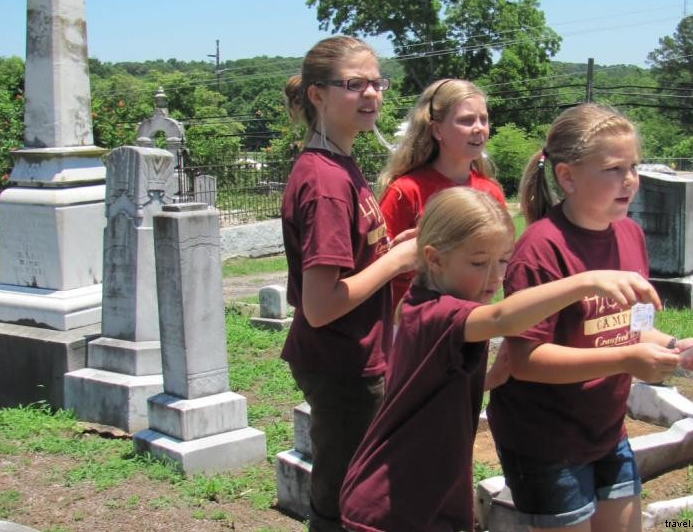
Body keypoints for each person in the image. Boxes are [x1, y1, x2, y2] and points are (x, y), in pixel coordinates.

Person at [340, 186, 665, 532]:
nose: (496, 277)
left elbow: (433, 384)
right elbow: (502, 318)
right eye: (479, 263)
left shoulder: (437, 310)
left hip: (426, 493)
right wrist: (585, 282)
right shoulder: (434, 313)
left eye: (503, 261)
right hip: (393, 501)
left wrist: (491, 378)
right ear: (434, 259)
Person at [487, 103, 693, 532]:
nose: (630, 180)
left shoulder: (630, 234)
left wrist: (672, 347)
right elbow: (524, 361)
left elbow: (632, 326)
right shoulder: (541, 249)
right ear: (567, 177)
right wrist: (626, 361)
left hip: (606, 428)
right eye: (613, 168)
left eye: (634, 166)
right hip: (544, 440)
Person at [280, 35, 417, 532]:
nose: (372, 95)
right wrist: (399, 258)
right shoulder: (326, 182)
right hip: (342, 364)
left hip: (352, 356)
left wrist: (389, 244)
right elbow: (320, 304)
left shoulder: (339, 163)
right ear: (317, 94)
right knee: (344, 503)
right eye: (354, 84)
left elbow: (351, 259)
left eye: (377, 83)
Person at [377, 79, 506, 312]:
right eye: (466, 120)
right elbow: (376, 267)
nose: (479, 128)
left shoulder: (491, 191)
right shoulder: (406, 190)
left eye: (483, 119)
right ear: (437, 130)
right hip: (412, 326)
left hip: (472, 321)